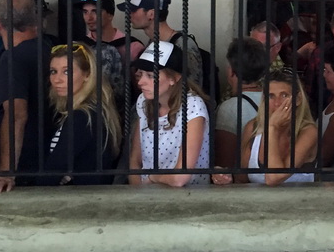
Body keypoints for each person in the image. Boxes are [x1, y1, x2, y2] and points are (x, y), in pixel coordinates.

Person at [0, 0, 52, 194]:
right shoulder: (46, 49)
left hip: (24, 174)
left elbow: (16, 114)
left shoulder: (13, 58)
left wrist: (6, 172)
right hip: (43, 166)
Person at [35, 43, 122, 186]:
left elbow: (53, 170)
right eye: (53, 71)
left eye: (67, 72)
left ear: (87, 74)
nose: (57, 79)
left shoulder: (83, 116)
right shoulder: (93, 110)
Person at [128, 41, 211, 187]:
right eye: (140, 74)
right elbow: (135, 161)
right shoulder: (144, 101)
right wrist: (138, 193)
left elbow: (180, 178)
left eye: (150, 76)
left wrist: (152, 178)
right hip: (147, 197)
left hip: (188, 198)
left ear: (174, 78)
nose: (141, 82)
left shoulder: (192, 107)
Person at [238, 67, 317, 185]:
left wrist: (272, 128)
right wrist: (225, 176)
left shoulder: (308, 131)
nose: (277, 103)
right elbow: (241, 179)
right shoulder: (252, 127)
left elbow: (274, 178)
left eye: (284, 95)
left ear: (298, 99)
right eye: (271, 96)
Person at [119, 0, 203, 89]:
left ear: (151, 14)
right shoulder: (153, 42)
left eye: (133, 10)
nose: (128, 14)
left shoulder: (183, 44)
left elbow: (193, 88)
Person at [212, 37, 270, 180]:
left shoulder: (230, 109)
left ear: (232, 71)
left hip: (244, 187)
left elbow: (224, 165)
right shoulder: (274, 100)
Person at [75, 0, 144, 69]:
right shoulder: (78, 46)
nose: (89, 18)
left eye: (95, 12)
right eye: (85, 12)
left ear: (110, 15)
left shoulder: (133, 47)